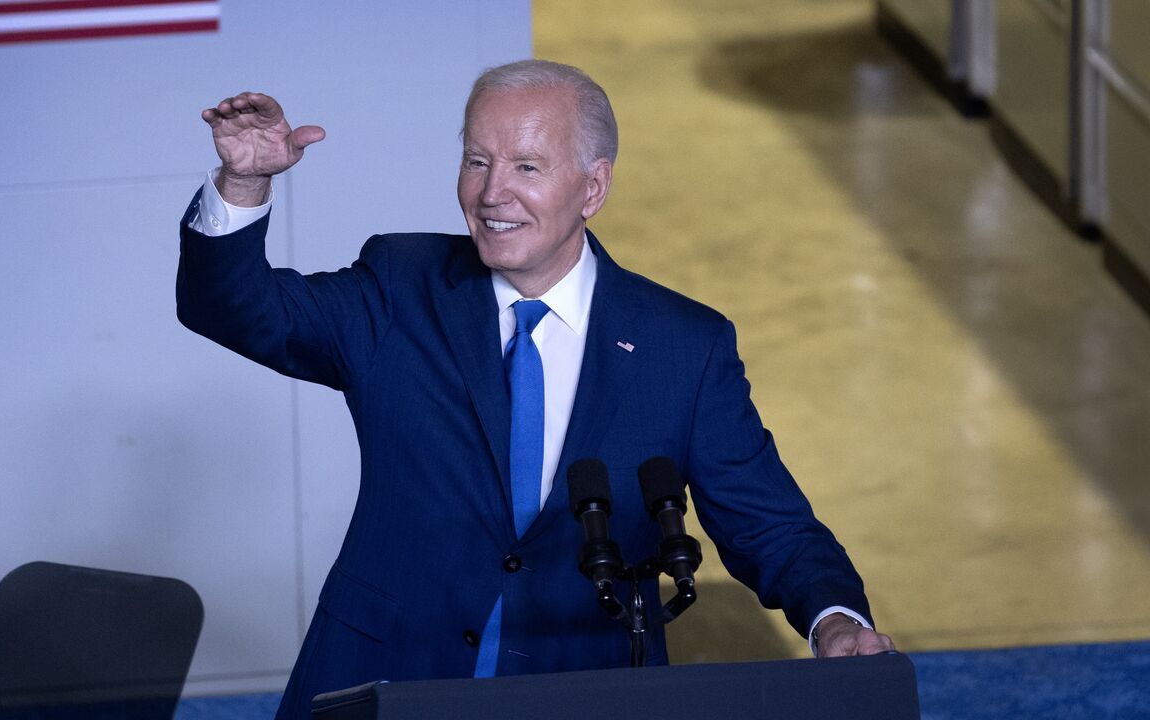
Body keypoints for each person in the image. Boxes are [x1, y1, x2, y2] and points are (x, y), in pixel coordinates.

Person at [177, 59, 893, 720]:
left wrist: (835, 619)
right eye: (477, 161)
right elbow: (237, 311)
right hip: (389, 680)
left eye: (526, 166)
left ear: (593, 187)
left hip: (583, 689)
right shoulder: (401, 284)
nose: (493, 194)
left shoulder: (684, 346)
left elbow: (768, 522)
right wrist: (244, 184)